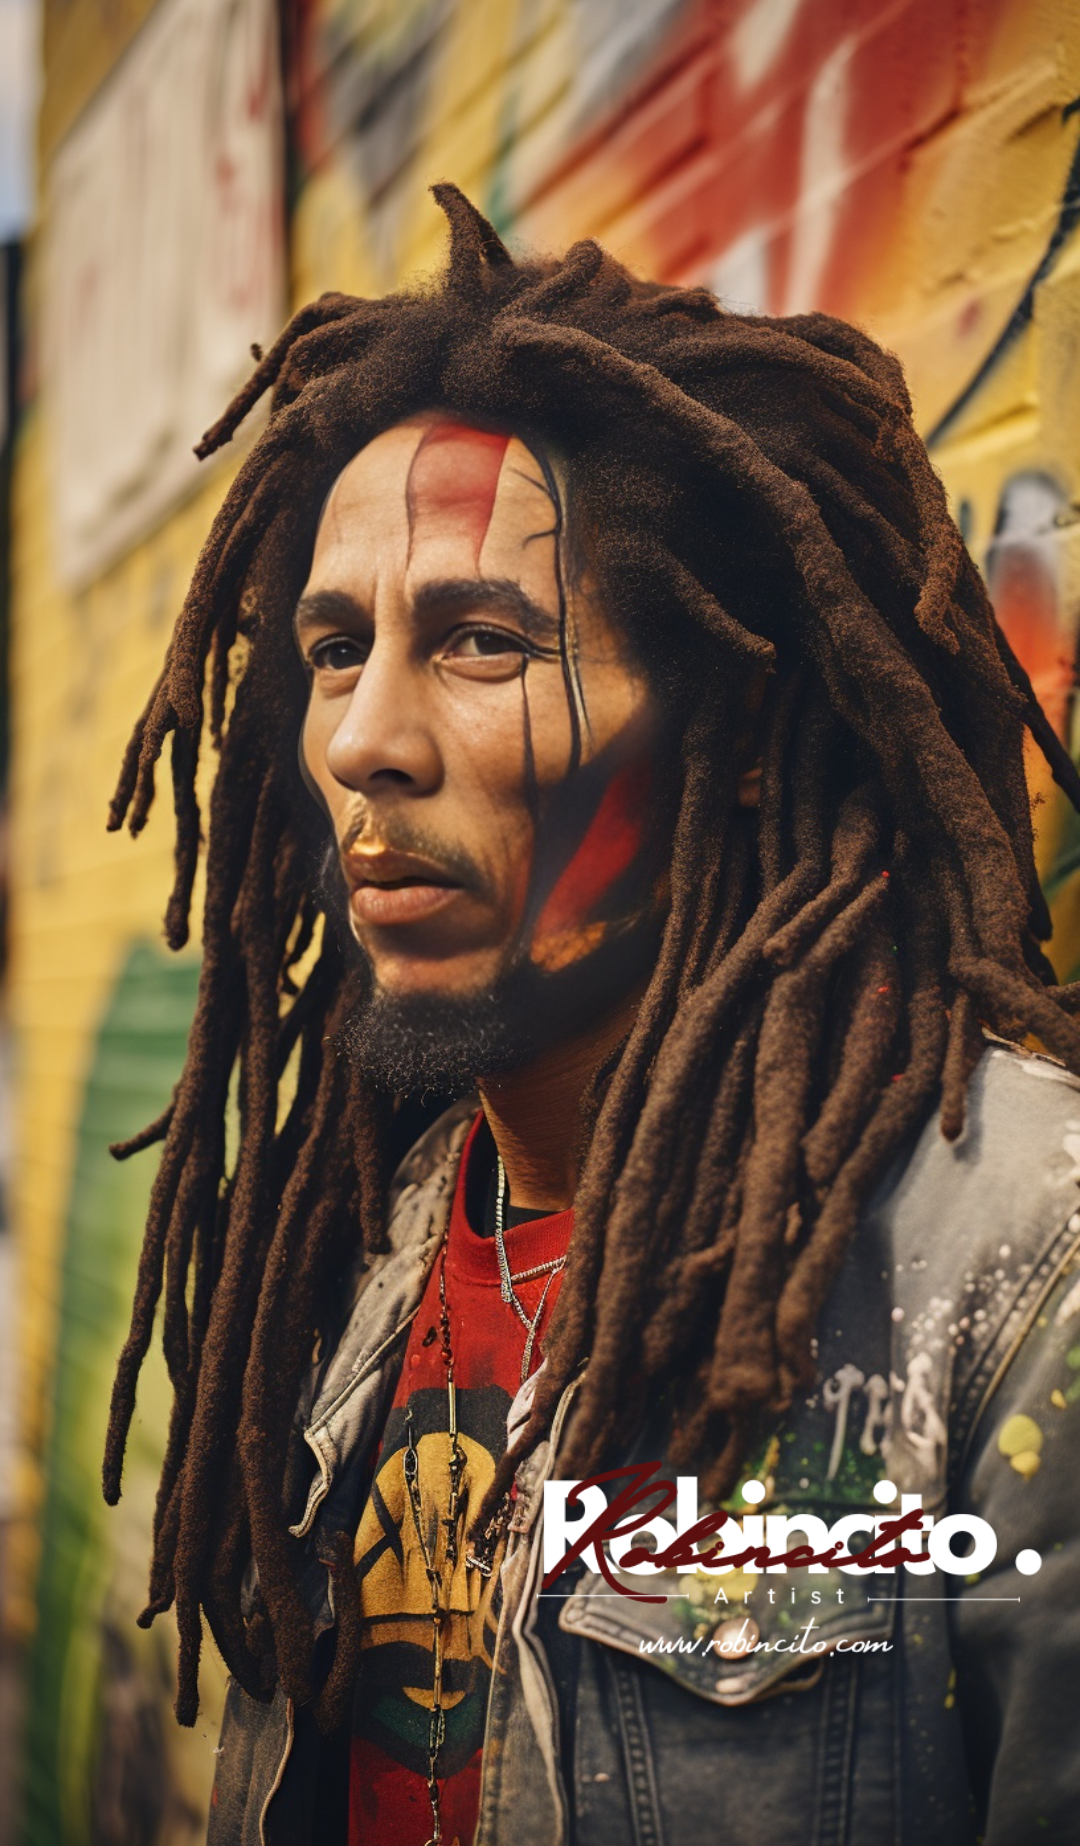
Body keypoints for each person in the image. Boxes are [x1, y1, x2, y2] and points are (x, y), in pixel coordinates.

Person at [103, 186, 1080, 1845]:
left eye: (482, 641)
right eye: (336, 651)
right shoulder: (355, 1242)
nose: (362, 744)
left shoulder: (1021, 1273)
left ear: (744, 729)